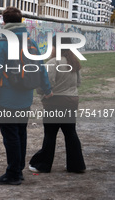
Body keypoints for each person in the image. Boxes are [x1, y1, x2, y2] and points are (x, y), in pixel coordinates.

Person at [0, 7, 52, 185]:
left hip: (7, 99)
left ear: (4, 22)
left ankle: (13, 173)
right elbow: (41, 68)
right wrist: (47, 89)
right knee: (20, 133)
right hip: (26, 98)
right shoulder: (31, 43)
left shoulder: (3, 44)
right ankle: (18, 169)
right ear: (20, 22)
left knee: (11, 136)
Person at [29, 36, 86, 173]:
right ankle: (77, 165)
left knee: (50, 134)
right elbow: (78, 82)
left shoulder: (53, 63)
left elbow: (45, 83)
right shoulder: (74, 62)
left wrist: (43, 95)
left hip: (54, 102)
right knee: (70, 133)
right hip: (71, 101)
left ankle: (43, 164)